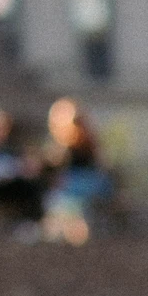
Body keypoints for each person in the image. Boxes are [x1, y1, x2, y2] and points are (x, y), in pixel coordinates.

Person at [42, 98, 111, 244]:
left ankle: (71, 226)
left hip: (82, 186)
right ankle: (67, 226)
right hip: (73, 187)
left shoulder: (82, 142)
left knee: (63, 200)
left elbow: (98, 167)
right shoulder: (64, 144)